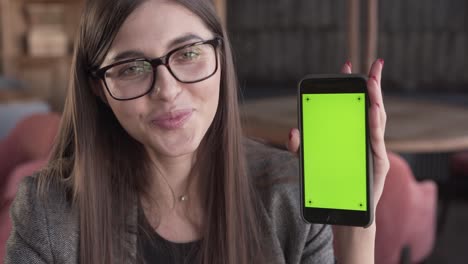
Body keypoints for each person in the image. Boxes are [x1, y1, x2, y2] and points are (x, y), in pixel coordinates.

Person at [5, 0, 389, 263]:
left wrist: (358, 229)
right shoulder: (46, 211)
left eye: (188, 54)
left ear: (221, 56)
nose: (167, 91)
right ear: (99, 89)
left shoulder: (291, 196)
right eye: (131, 68)